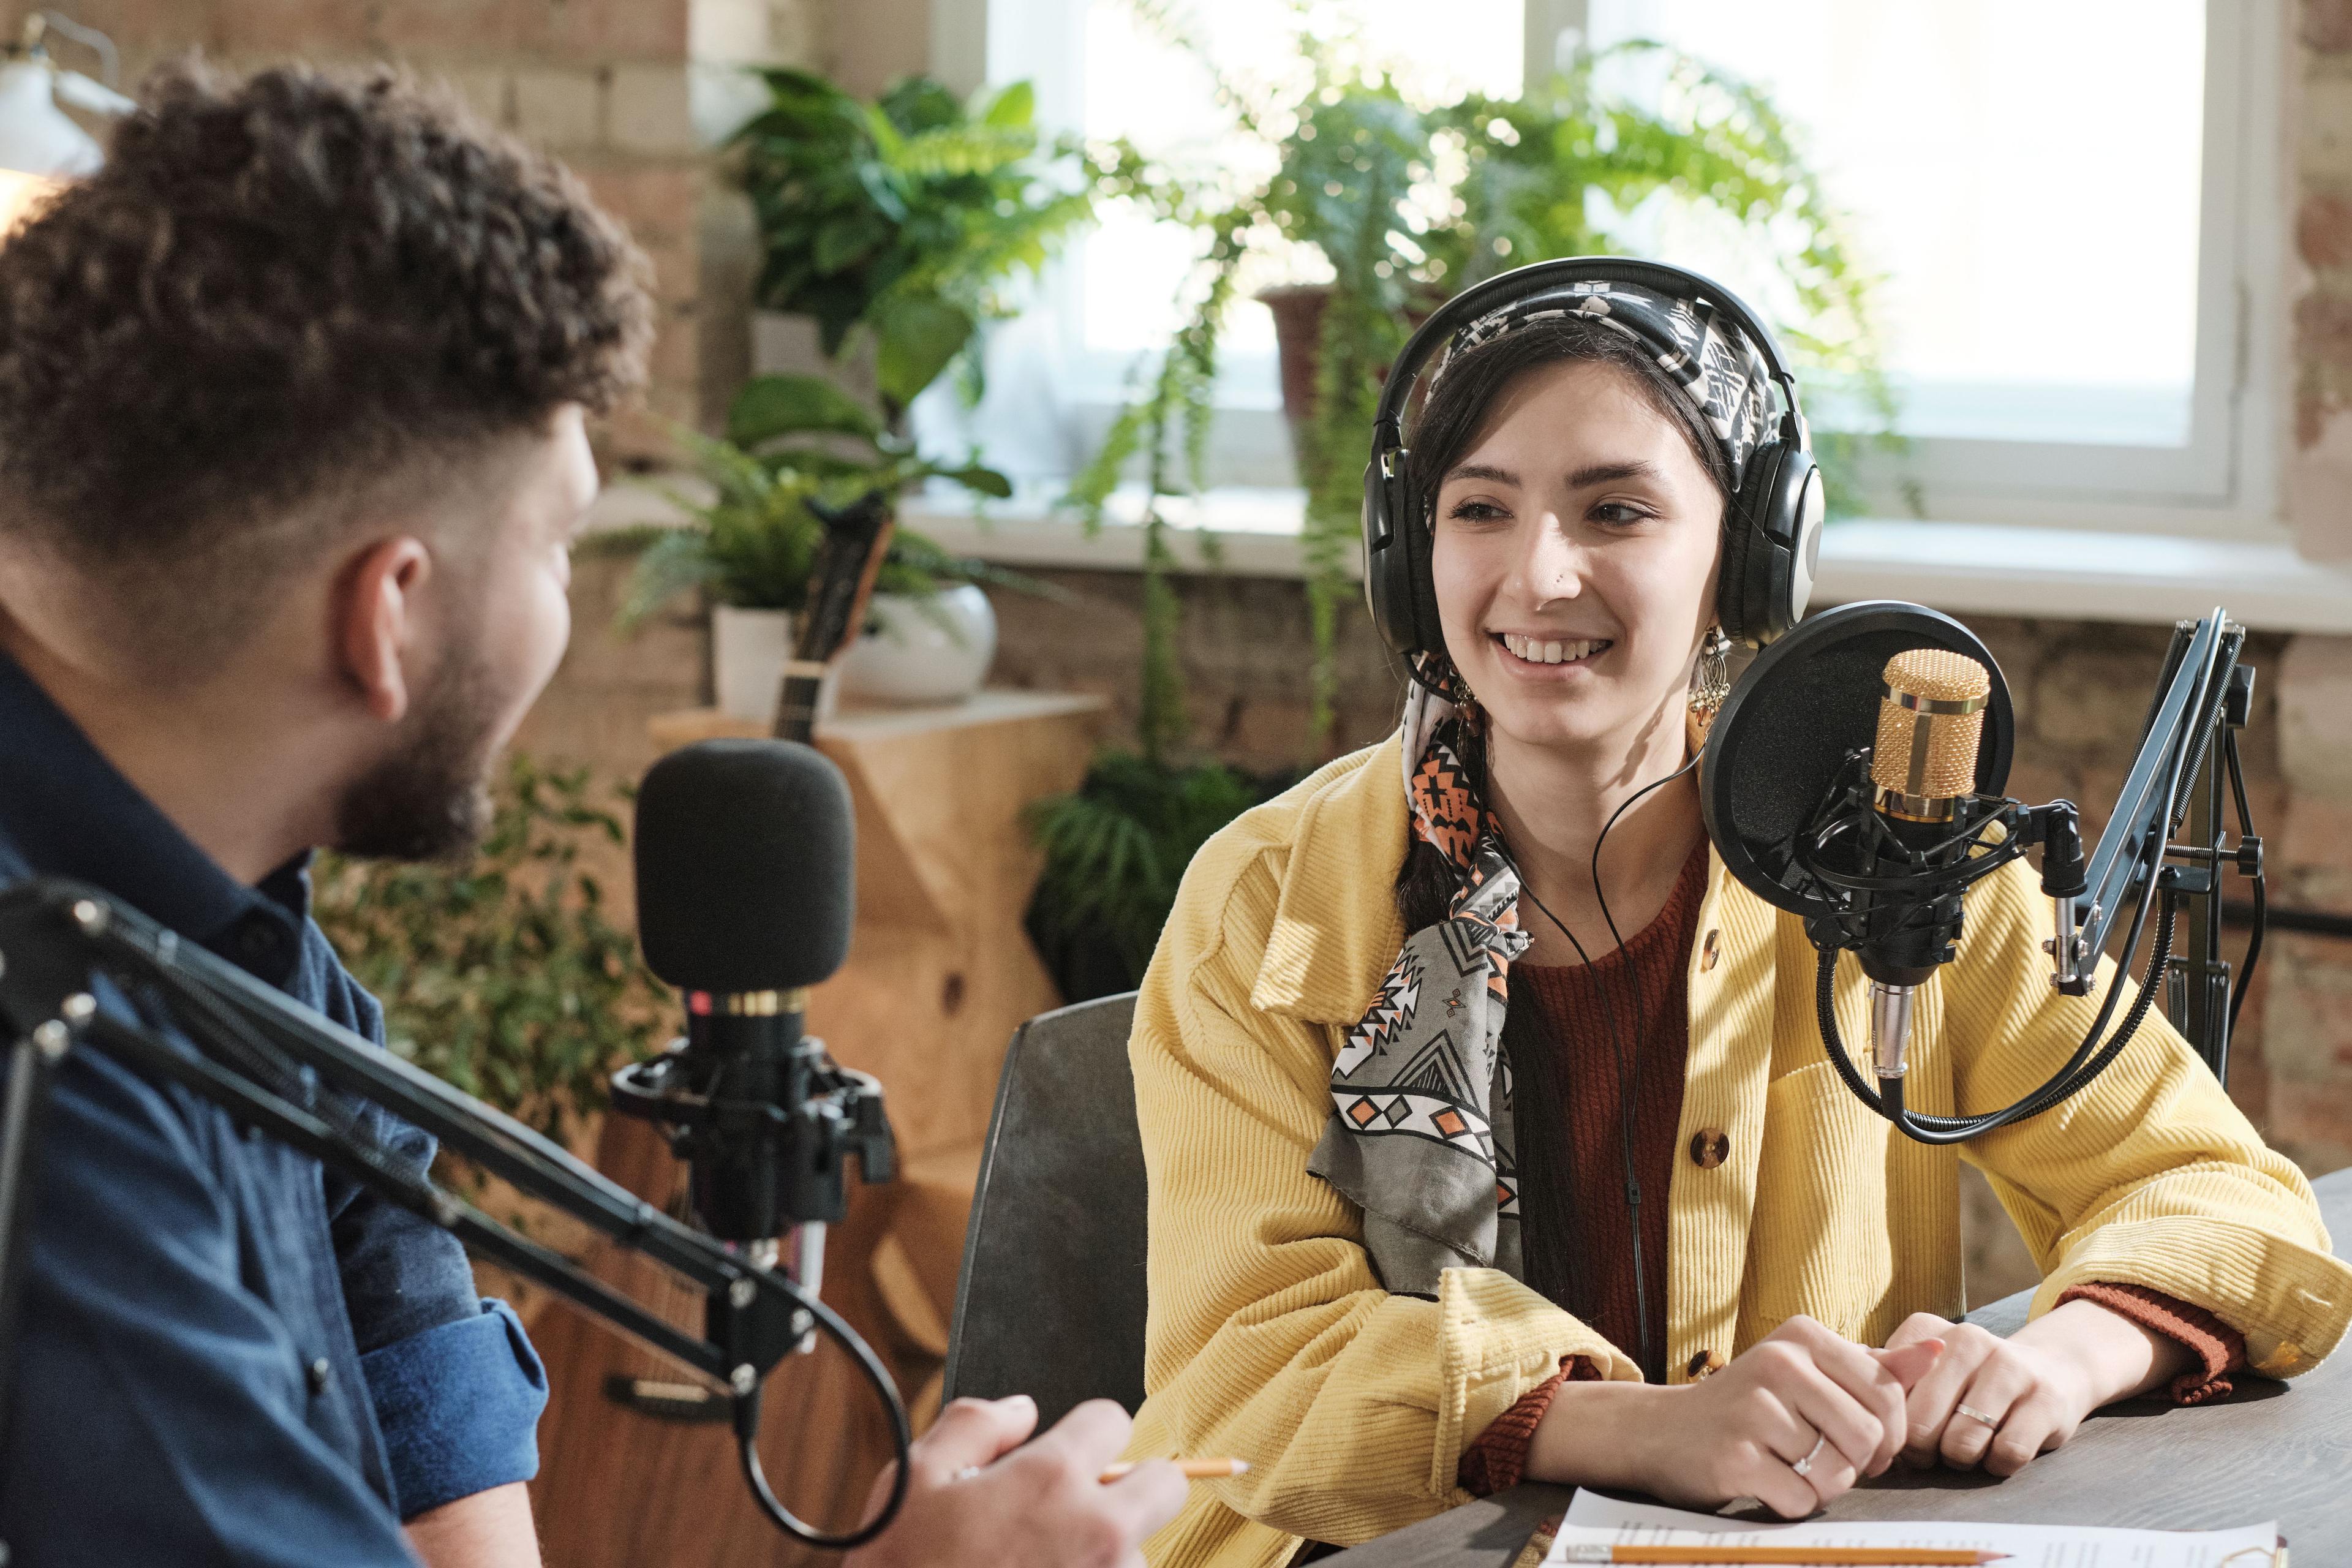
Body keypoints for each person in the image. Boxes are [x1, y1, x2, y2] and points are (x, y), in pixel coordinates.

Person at [0, 59, 1182, 1568]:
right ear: (389, 613)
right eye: (561, 542)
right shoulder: (57, 1110)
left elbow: (380, 1240)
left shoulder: (211, 876)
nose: (571, 600)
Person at [1119, 264, 2352, 1568]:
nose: (1540, 574)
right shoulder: (1261, 901)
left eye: (1618, 510)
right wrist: (1637, 1426)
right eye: (1481, 507)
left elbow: (2227, 1198)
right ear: (1408, 551)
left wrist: (2056, 1360)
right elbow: (1247, 1364)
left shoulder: (1902, 861)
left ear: (1751, 559)